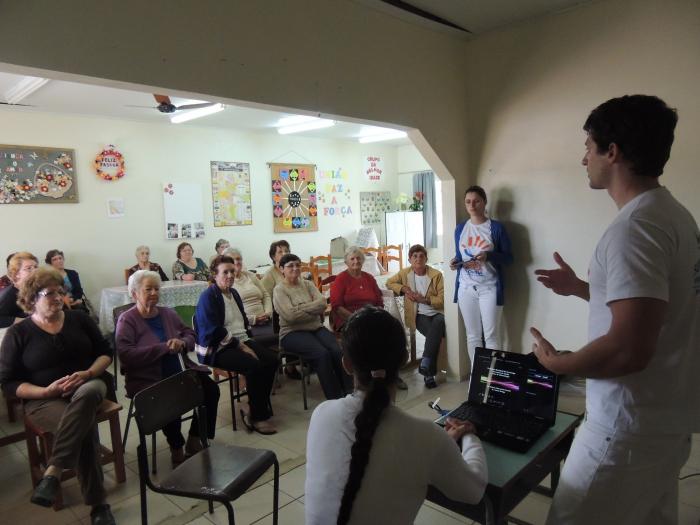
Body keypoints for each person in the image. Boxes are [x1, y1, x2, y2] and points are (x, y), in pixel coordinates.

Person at [531, 95, 700, 525]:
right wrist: (584, 289)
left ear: (613, 151)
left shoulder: (634, 229)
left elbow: (628, 350)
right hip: (664, 420)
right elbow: (653, 312)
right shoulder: (674, 216)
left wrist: (558, 364)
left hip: (623, 431)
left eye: (589, 145)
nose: (582, 157)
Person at [305, 306, 487, 524]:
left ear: (347, 364)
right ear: (403, 359)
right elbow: (473, 491)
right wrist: (469, 436)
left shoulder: (322, 415)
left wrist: (436, 447)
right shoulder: (425, 437)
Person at [0, 268, 115, 524]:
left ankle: (52, 472)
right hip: (43, 399)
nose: (57, 297)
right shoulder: (18, 334)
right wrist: (45, 391)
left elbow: (106, 352)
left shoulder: (80, 320)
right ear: (31, 298)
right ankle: (99, 506)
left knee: (87, 395)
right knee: (81, 429)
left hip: (89, 385)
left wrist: (87, 373)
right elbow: (8, 383)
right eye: (49, 293)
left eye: (60, 292)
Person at [116, 270, 220, 466]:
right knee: (169, 398)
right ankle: (176, 446)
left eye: (157, 288)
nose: (154, 293)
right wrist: (163, 348)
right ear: (134, 293)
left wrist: (182, 342)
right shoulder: (127, 319)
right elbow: (126, 354)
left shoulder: (168, 313)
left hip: (180, 369)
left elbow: (189, 333)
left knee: (211, 390)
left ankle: (194, 439)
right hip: (147, 378)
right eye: (148, 289)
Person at [194, 256, 278, 434]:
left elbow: (241, 323)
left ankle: (253, 407)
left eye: (232, 271)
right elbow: (214, 331)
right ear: (215, 275)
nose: (230, 275)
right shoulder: (209, 296)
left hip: (239, 340)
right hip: (217, 347)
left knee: (272, 360)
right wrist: (242, 346)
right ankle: (258, 416)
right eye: (225, 272)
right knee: (253, 365)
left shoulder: (234, 293)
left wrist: (248, 342)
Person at [273, 253, 352, 400]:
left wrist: (299, 308)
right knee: (322, 354)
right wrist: (311, 308)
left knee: (337, 350)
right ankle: (334, 399)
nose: (295, 268)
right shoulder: (279, 290)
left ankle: (349, 392)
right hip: (291, 333)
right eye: (291, 266)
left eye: (298, 265)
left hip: (315, 328)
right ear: (281, 269)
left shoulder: (308, 284)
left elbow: (322, 304)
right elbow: (289, 317)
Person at [450, 185, 513, 365]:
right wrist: (456, 262)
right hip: (466, 288)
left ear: (484, 202)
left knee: (492, 335)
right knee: (472, 336)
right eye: (468, 202)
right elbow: (459, 254)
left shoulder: (496, 228)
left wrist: (489, 256)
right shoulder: (460, 228)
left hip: (489, 288)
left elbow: (509, 258)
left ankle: (493, 377)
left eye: (477, 201)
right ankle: (477, 376)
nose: (472, 205)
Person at [386, 244, 445, 389]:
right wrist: (404, 288)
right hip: (418, 315)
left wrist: (424, 300)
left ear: (426, 258)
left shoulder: (436, 275)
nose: (418, 259)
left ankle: (427, 371)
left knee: (437, 326)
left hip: (438, 313)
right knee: (435, 335)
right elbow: (389, 282)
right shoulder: (405, 273)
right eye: (415, 256)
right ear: (410, 259)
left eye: (421, 256)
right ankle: (428, 371)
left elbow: (442, 299)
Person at [224, 247, 275, 342]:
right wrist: (254, 319)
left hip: (266, 320)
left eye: (239, 259)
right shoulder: (226, 282)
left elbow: (265, 295)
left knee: (283, 335)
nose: (236, 261)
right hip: (247, 325)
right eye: (232, 259)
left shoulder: (250, 275)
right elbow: (231, 312)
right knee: (270, 342)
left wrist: (268, 313)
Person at [330, 246, 383, 332]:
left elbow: (379, 302)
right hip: (348, 320)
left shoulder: (369, 278)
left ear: (363, 260)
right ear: (346, 262)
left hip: (370, 318)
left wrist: (376, 316)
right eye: (352, 259)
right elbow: (337, 307)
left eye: (358, 258)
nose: (356, 261)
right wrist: (357, 319)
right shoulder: (341, 279)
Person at [0, 251, 38, 328]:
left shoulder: (34, 287)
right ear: (17, 274)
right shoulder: (9, 295)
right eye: (29, 268)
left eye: (35, 267)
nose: (35, 271)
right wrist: (25, 321)